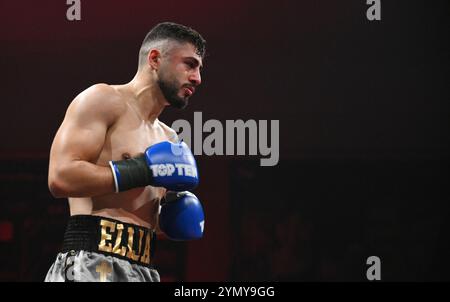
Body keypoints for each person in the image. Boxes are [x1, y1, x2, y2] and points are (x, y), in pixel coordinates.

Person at [45, 22, 206, 282]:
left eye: (199, 68)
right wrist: (142, 170)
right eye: (189, 64)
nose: (197, 78)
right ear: (155, 58)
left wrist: (176, 212)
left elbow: (137, 214)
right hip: (90, 261)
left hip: (143, 269)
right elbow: (60, 177)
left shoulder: (169, 138)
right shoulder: (102, 100)